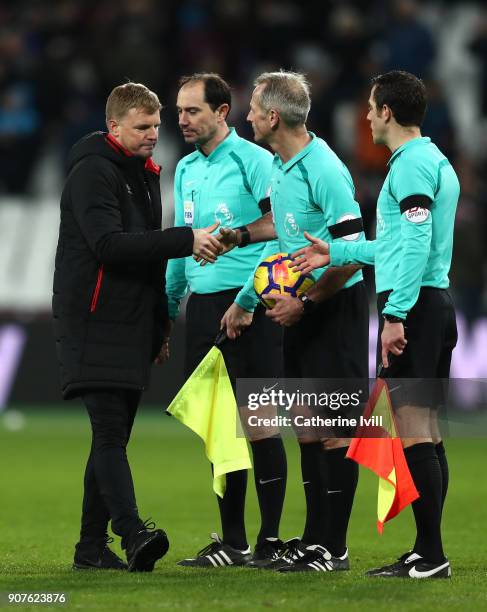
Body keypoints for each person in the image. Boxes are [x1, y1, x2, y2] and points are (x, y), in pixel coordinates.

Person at [292, 70, 459, 579]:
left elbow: (411, 246)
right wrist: (334, 249)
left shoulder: (409, 167)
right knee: (425, 431)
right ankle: (427, 548)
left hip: (416, 309)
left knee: (411, 432)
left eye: (370, 107)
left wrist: (394, 315)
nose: (365, 116)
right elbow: (392, 245)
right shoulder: (433, 161)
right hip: (433, 302)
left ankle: (430, 555)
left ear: (387, 111)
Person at [52, 82, 221, 572]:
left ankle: (89, 548)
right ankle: (131, 532)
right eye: (142, 127)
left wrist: (158, 324)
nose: (153, 135)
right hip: (92, 318)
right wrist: (185, 239)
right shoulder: (93, 173)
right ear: (114, 127)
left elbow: (141, 256)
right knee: (109, 430)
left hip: (126, 319)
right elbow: (109, 245)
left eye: (155, 126)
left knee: (113, 437)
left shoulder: (140, 174)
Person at [215, 70, 369, 573]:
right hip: (298, 309)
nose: (249, 117)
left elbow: (351, 252)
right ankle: (315, 538)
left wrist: (309, 303)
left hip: (334, 309)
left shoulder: (323, 169)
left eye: (255, 109)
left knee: (335, 429)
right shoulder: (281, 168)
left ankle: (336, 547)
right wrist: (247, 299)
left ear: (274, 117)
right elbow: (282, 254)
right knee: (306, 427)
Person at [165, 73, 287, 568]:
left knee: (260, 425)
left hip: (251, 307)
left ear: (222, 112)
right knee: (221, 430)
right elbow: (180, 239)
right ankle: (233, 544)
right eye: (179, 111)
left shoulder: (255, 161)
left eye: (192, 111)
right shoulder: (184, 168)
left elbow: (280, 231)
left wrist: (250, 299)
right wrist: (170, 307)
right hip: (204, 309)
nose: (182, 120)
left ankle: (272, 540)